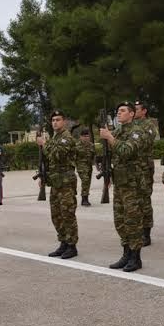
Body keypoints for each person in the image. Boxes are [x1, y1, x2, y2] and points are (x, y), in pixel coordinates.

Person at [99, 101, 145, 271]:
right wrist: (107, 173)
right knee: (120, 221)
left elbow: (126, 151)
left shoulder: (137, 131)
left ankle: (136, 257)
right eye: (118, 111)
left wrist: (110, 137)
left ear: (132, 114)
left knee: (133, 221)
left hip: (132, 183)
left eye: (123, 110)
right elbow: (111, 157)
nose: (119, 113)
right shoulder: (117, 131)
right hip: (120, 182)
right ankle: (126, 253)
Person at [42, 110, 78, 259]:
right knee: (56, 215)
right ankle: (63, 242)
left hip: (66, 183)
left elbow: (57, 155)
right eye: (53, 120)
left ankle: (72, 245)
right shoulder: (55, 137)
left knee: (67, 214)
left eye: (58, 120)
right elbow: (49, 161)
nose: (55, 122)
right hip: (56, 182)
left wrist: (45, 145)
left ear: (64, 121)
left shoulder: (66, 138)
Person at [133, 100, 157, 245]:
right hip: (133, 168)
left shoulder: (148, 125)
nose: (134, 111)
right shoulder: (129, 125)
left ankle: (146, 232)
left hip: (144, 167)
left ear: (144, 111)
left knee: (145, 199)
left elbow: (146, 141)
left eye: (137, 109)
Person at [75, 128, 95, 207]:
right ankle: (84, 198)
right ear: (81, 137)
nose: (86, 138)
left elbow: (93, 156)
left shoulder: (91, 145)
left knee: (88, 181)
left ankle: (86, 197)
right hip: (81, 166)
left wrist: (96, 165)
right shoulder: (77, 146)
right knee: (85, 180)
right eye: (84, 136)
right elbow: (74, 157)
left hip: (89, 166)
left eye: (87, 136)